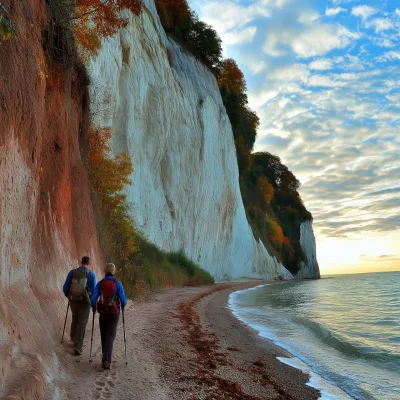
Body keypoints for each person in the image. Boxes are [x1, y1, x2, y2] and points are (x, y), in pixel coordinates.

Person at [91, 263, 127, 369]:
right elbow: (124, 301)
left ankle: (105, 358)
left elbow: (93, 298)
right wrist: (123, 306)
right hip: (114, 313)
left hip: (103, 312)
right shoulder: (118, 283)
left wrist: (93, 306)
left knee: (104, 334)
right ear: (114, 271)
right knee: (110, 335)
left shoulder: (100, 283)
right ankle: (106, 360)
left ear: (105, 271)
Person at [63, 256, 96, 355]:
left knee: (75, 318)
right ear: (89, 263)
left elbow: (65, 286)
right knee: (82, 322)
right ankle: (78, 346)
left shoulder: (72, 272)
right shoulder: (91, 274)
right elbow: (93, 290)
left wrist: (68, 295)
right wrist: (92, 301)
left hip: (73, 300)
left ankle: (73, 338)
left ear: (81, 262)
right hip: (85, 301)